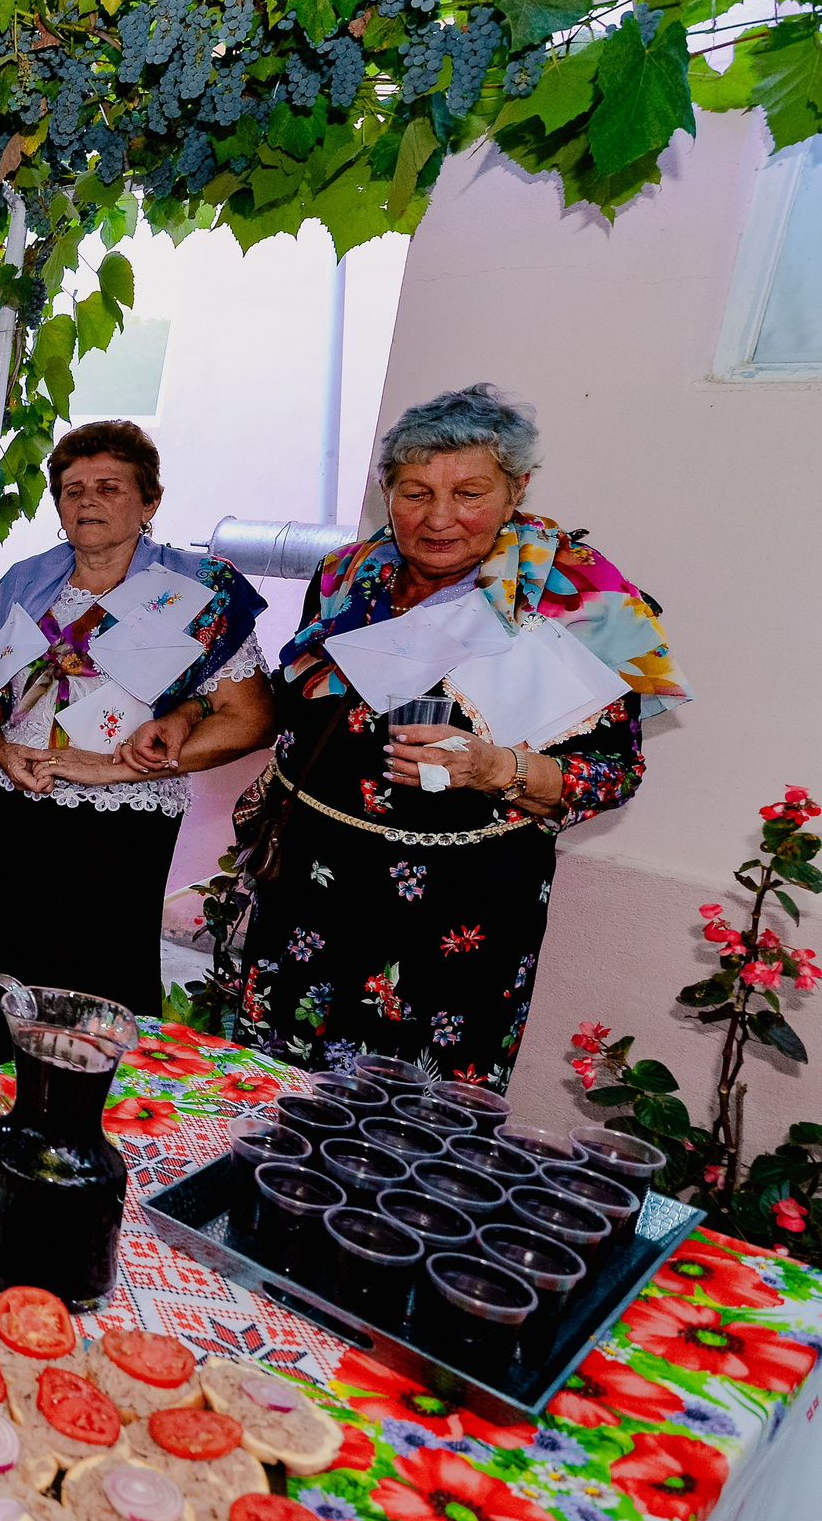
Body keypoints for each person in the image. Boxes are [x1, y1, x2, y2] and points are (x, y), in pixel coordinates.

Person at [216, 387, 686, 1085]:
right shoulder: (348, 575)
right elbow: (307, 709)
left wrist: (501, 768)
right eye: (414, 492)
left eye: (469, 492)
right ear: (386, 489)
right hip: (310, 894)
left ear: (517, 488)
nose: (439, 519)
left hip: (458, 921)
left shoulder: (583, 598)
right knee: (282, 1102)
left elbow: (616, 771)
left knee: (416, 1127)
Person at [0, 421, 271, 1024]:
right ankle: (0, 1108)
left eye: (109, 487)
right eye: (72, 489)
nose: (87, 501)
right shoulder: (27, 584)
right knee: (0, 987)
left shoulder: (196, 591)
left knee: (87, 999)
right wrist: (2, 752)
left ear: (149, 502)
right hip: (15, 805)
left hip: (121, 822)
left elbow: (252, 719)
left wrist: (115, 769)